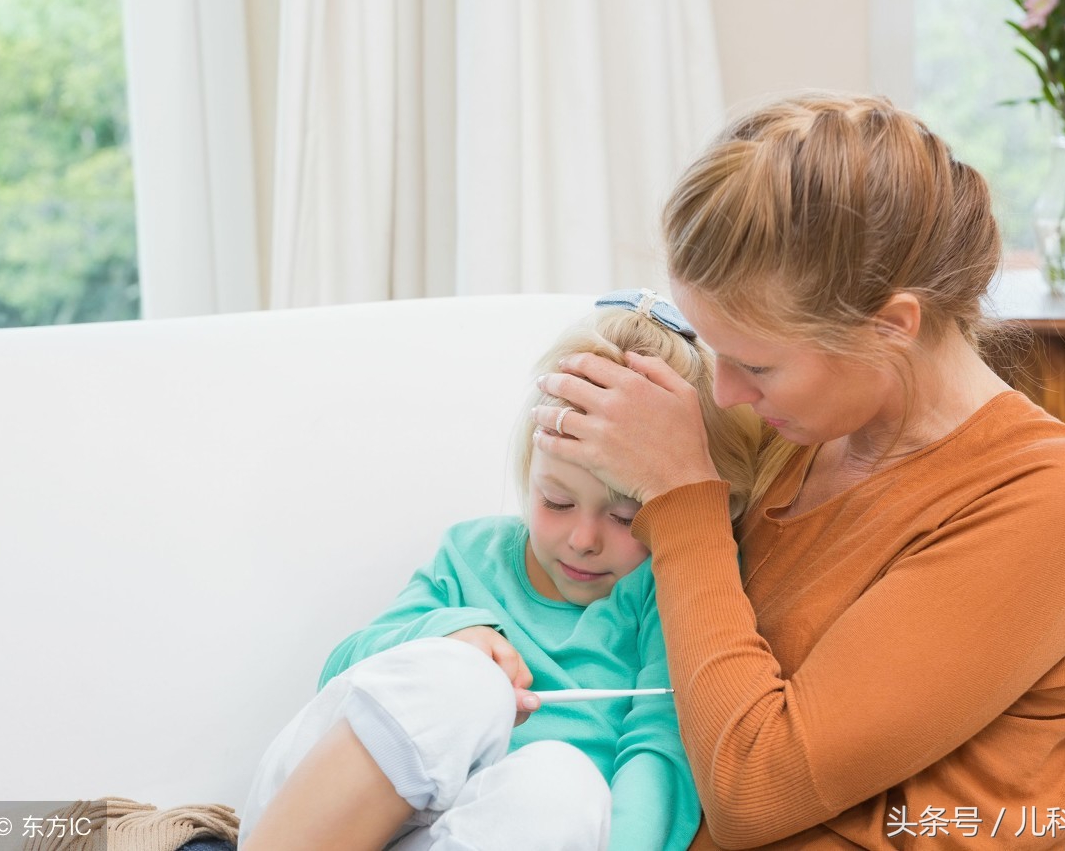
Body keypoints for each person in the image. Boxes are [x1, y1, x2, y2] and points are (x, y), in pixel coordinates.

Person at [532, 93, 1065, 850]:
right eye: (717, 352)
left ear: (892, 326)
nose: (724, 394)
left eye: (756, 363)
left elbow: (753, 789)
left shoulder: (1055, 497)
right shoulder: (793, 433)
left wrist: (684, 496)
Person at [238, 291, 761, 851]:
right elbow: (344, 671)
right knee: (460, 677)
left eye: (625, 517)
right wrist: (449, 636)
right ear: (529, 470)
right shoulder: (473, 554)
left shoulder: (666, 593)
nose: (583, 541)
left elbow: (661, 758)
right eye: (556, 502)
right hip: (316, 814)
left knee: (564, 785)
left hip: (480, 833)